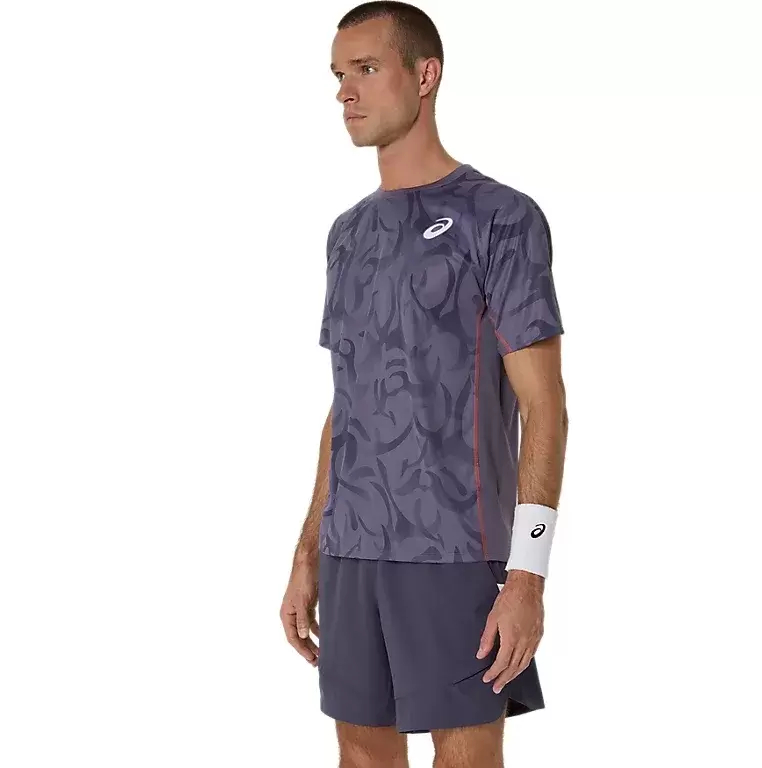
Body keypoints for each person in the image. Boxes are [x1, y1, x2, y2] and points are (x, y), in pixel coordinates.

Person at [279, 3, 568, 766]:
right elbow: (348, 401)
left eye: (366, 69)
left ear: (425, 75)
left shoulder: (500, 218)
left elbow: (544, 406)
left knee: (465, 755)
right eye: (338, 74)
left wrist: (528, 575)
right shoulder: (347, 234)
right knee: (361, 753)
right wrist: (308, 552)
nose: (345, 91)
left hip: (454, 548)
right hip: (351, 549)